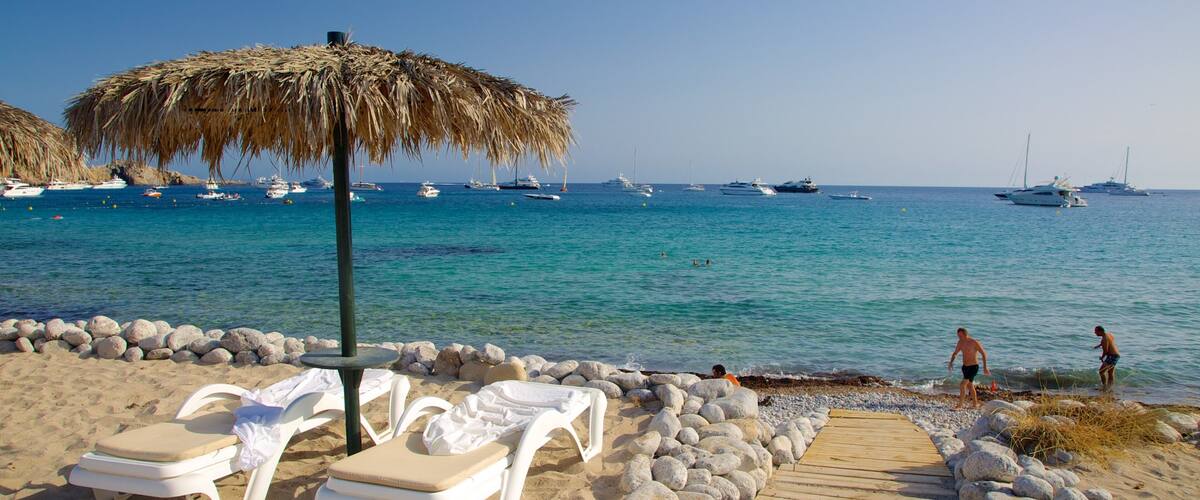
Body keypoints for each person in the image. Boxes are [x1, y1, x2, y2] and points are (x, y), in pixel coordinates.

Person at [948, 327, 989, 410]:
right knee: (970, 386)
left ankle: (960, 405)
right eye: (958, 335)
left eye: (960, 335)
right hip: (965, 367)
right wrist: (951, 362)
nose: (959, 337)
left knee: (962, 384)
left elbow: (983, 354)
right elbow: (955, 353)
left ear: (965, 334)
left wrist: (985, 367)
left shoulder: (974, 342)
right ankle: (975, 404)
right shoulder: (960, 343)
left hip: (973, 367)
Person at [1093, 325, 1120, 390]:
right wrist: (1099, 345)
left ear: (1100, 331)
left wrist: (1102, 358)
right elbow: (1110, 341)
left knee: (1101, 371)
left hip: (1112, 356)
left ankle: (1104, 386)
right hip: (1116, 355)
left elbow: (1106, 351)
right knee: (1110, 373)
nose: (1095, 332)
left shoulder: (1104, 339)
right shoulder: (1109, 334)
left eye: (1096, 331)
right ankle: (1110, 387)